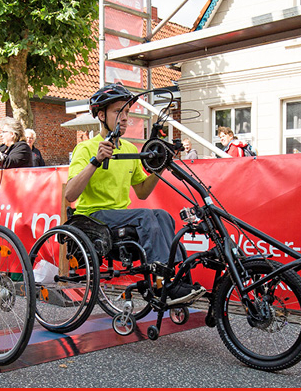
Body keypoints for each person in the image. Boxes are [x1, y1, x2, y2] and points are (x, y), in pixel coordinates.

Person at [64, 83, 205, 306]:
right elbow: (71, 194)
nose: (124, 118)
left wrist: (161, 166)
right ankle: (163, 284)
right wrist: (96, 161)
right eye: (118, 112)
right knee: (146, 217)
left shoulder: (129, 149)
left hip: (120, 215)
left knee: (163, 215)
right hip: (93, 217)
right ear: (101, 115)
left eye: (127, 112)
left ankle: (176, 277)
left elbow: (141, 191)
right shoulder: (87, 148)